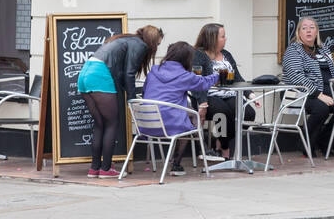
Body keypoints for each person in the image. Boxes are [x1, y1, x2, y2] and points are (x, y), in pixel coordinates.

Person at [77, 25, 163, 178]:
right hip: (99, 73)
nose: (156, 47)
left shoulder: (125, 39)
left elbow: (121, 73)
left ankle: (94, 168)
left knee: (100, 124)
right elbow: (129, 73)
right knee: (112, 123)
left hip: (85, 72)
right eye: (157, 44)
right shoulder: (141, 45)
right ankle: (105, 169)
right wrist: (132, 98)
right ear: (151, 40)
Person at [140, 41, 219, 174]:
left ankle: (196, 153)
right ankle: (177, 164)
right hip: (168, 125)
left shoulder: (153, 71)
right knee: (192, 119)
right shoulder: (184, 76)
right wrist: (217, 74)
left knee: (187, 116)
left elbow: (144, 92)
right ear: (186, 59)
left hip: (146, 123)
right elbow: (203, 83)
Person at [191, 22, 254, 158]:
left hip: (230, 93)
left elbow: (237, 77)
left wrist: (250, 94)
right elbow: (196, 82)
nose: (226, 39)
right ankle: (224, 148)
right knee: (223, 114)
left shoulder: (226, 54)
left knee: (248, 113)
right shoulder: (199, 55)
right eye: (223, 36)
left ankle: (221, 140)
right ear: (212, 38)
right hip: (209, 96)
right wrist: (202, 103)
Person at [281, 16, 334, 157]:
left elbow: (333, 72)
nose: (308, 31)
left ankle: (324, 142)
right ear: (299, 33)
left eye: (312, 28)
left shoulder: (324, 49)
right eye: (304, 28)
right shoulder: (293, 50)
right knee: (322, 108)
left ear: (317, 32)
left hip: (326, 91)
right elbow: (296, 77)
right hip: (299, 92)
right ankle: (305, 141)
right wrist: (319, 94)